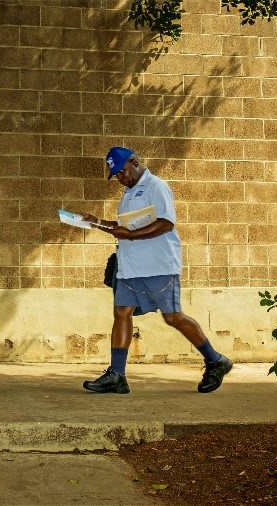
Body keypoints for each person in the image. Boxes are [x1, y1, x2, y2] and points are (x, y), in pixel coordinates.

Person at [80, 147, 232, 394]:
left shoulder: (156, 187)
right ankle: (117, 374)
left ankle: (216, 360)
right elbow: (122, 227)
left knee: (172, 317)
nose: (120, 177)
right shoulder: (128, 194)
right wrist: (96, 222)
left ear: (135, 162)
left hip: (158, 265)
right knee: (121, 313)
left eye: (122, 171)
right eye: (116, 174)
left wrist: (130, 234)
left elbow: (165, 222)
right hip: (130, 266)